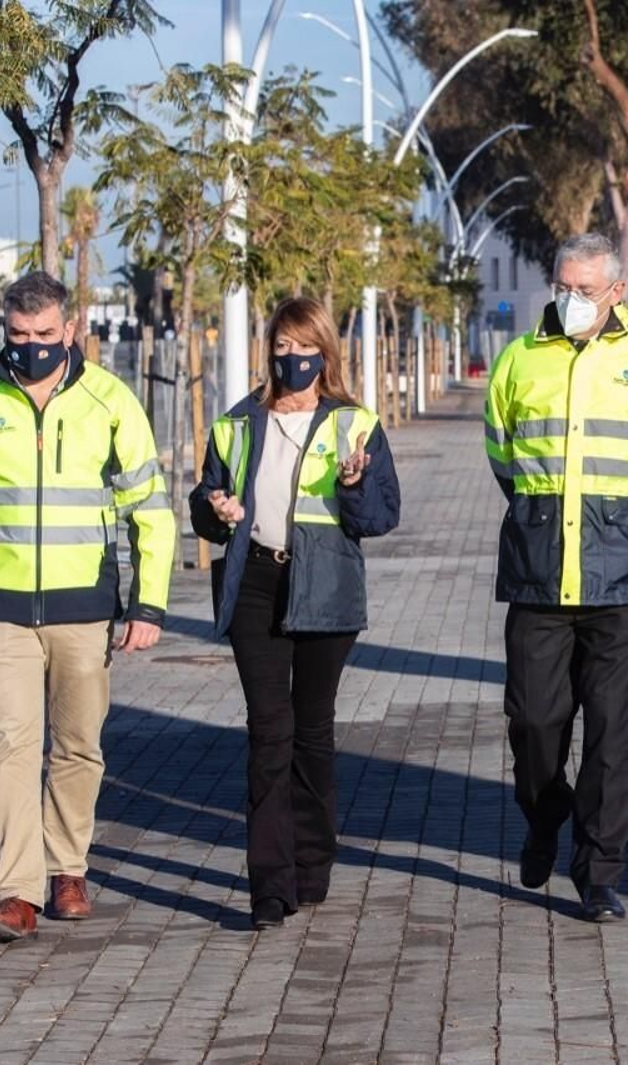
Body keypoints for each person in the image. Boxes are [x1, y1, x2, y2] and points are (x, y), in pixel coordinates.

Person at [0, 271, 174, 941]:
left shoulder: (109, 402)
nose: (32, 347)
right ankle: (15, 893)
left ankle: (68, 868)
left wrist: (149, 603)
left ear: (71, 328)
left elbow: (151, 509)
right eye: (19, 336)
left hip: (85, 608)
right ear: (4, 331)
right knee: (10, 745)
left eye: (45, 335)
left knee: (79, 746)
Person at [484, 232, 628, 922]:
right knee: (534, 720)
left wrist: (623, 528)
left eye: (583, 288)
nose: (569, 298)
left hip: (619, 577)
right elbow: (503, 457)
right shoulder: (519, 360)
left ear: (615, 293)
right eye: (561, 285)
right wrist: (545, 515)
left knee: (611, 729)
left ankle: (599, 870)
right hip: (540, 574)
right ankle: (546, 817)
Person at [190, 297, 400, 930]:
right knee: (267, 731)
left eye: (305, 348)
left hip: (326, 588)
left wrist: (355, 484)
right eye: (282, 347)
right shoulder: (237, 422)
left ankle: (312, 862)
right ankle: (269, 889)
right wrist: (214, 508)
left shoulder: (356, 424)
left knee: (312, 733)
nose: (293, 359)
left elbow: (382, 516)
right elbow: (206, 502)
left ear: (326, 352)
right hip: (254, 581)